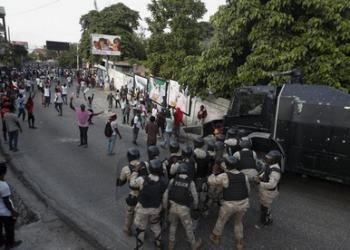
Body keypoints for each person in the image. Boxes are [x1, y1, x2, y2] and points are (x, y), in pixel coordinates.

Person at [208, 156, 250, 250]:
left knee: (221, 220)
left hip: (230, 205)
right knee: (238, 222)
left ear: (226, 165)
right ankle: (239, 243)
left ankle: (215, 238)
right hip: (244, 203)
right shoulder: (244, 175)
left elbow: (211, 181)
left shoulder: (224, 176)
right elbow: (248, 190)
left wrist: (213, 172)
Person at [163, 163, 202, 250]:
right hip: (184, 209)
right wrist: (195, 207)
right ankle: (193, 244)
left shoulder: (173, 180)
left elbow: (166, 194)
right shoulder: (190, 182)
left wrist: (165, 206)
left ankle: (171, 243)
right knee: (188, 228)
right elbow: (195, 197)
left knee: (173, 225)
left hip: (172, 206)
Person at [129, 159, 167, 250]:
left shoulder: (142, 179)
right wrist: (164, 209)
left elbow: (132, 184)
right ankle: (158, 245)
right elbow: (165, 199)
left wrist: (135, 172)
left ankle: (139, 247)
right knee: (156, 226)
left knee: (141, 229)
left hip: (142, 209)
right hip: (155, 209)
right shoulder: (163, 182)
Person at [117, 148, 143, 237]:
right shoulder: (145, 164)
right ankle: (140, 230)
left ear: (128, 157)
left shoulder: (126, 169)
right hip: (144, 194)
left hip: (134, 194)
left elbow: (120, 183)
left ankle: (128, 228)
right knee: (141, 214)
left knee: (129, 212)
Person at [254, 150, 282, 228]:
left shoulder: (276, 172)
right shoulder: (270, 165)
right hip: (266, 190)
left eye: (269, 158)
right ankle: (268, 217)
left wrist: (259, 183)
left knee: (265, 206)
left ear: (274, 160)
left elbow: (272, 185)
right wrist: (260, 176)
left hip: (270, 192)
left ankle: (264, 222)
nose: (267, 159)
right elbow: (266, 172)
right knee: (264, 205)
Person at [0, 163, 22, 249]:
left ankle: (1, 241)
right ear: (4, 173)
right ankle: (9, 243)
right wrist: (14, 212)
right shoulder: (3, 186)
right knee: (9, 228)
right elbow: (6, 202)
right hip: (5, 212)